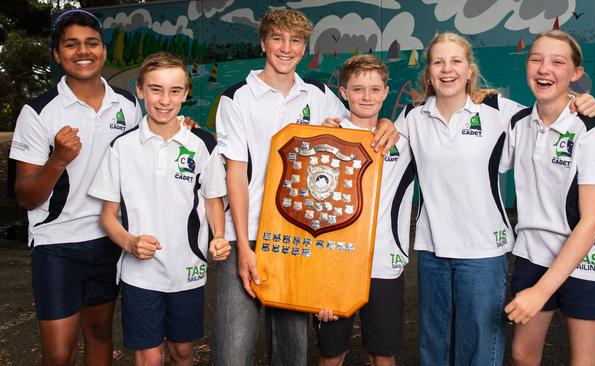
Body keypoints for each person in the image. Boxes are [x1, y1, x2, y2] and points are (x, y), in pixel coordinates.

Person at [395, 32, 595, 366]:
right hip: (432, 250)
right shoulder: (412, 117)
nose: (447, 69)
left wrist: (585, 104)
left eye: (456, 61)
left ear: (469, 70)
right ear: (429, 73)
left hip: (484, 252)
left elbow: (553, 112)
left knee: (479, 348)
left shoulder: (500, 112)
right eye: (438, 62)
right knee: (433, 346)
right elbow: (376, 141)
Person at [212, 8, 398, 366]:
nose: (286, 48)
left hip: (297, 237)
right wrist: (243, 248)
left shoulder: (319, 95)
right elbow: (235, 171)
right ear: (264, 42)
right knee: (233, 350)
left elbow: (359, 123)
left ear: (303, 46)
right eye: (278, 38)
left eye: (295, 40)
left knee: (292, 352)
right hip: (247, 234)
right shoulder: (237, 98)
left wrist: (388, 122)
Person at [9, 10, 142, 365]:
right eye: (71, 44)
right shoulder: (38, 112)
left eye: (91, 43)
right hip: (58, 244)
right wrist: (58, 159)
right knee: (59, 352)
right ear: (57, 54)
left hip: (107, 238)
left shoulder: (127, 105)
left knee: (99, 335)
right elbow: (26, 196)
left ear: (103, 50)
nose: (82, 51)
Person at [88, 51, 230, 365]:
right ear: (140, 90)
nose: (165, 100)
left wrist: (218, 235)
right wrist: (129, 242)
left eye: (175, 90)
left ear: (185, 94)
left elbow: (212, 200)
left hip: (187, 271)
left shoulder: (203, 144)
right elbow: (107, 216)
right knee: (149, 356)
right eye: (156, 89)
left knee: (181, 351)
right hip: (140, 275)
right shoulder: (121, 147)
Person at [502, 30, 595, 366]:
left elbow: (593, 221)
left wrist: (541, 291)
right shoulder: (518, 124)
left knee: (585, 362)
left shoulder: (590, 130)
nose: (544, 69)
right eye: (536, 59)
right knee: (523, 354)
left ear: (576, 73)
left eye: (557, 61)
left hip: (585, 260)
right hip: (533, 253)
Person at [314, 54, 427, 366]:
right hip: (334, 265)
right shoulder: (326, 137)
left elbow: (443, 105)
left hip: (384, 264)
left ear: (386, 92)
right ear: (343, 92)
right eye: (359, 89)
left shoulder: (403, 140)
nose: (367, 96)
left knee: (383, 353)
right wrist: (316, 279)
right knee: (331, 353)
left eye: (375, 89)